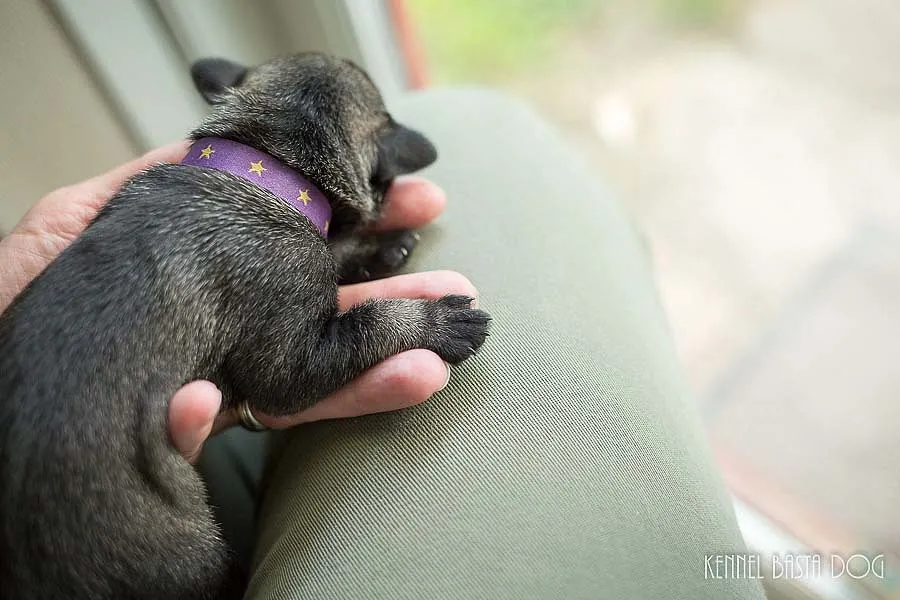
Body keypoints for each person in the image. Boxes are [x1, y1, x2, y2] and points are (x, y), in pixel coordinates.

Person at [0, 90, 766, 599]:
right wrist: (414, 324)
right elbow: (284, 381)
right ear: (373, 162)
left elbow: (243, 294)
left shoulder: (152, 198)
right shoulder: (273, 247)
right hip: (114, 558)